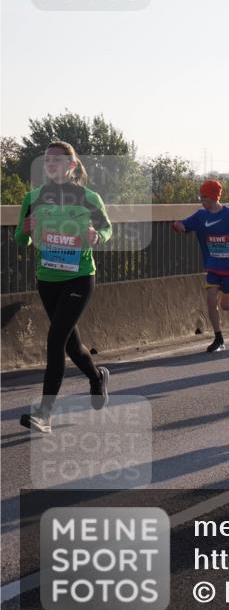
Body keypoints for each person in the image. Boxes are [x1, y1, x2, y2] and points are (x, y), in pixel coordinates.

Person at [16, 142, 113, 434]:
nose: (51, 164)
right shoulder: (33, 198)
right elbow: (22, 241)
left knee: (56, 337)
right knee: (71, 344)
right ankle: (97, 377)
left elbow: (107, 229)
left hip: (80, 276)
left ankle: (44, 414)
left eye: (58, 160)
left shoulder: (88, 197)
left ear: (71, 165)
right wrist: (26, 231)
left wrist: (97, 236)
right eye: (47, 160)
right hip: (48, 279)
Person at [172, 180, 229, 353]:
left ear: (213, 197)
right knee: (211, 300)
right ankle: (218, 338)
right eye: (200, 197)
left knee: (225, 305)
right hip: (212, 266)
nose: (202, 201)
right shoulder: (201, 216)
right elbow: (185, 224)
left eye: (204, 197)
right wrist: (178, 225)